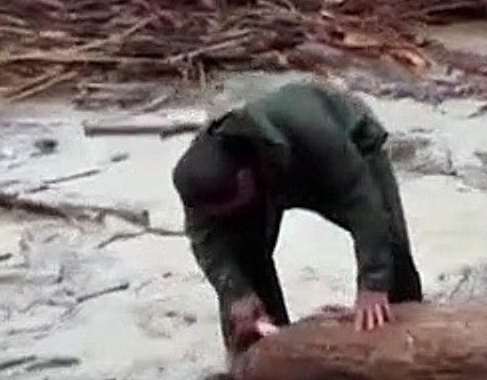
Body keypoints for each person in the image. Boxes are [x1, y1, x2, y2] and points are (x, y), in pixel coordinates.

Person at [172, 79, 423, 357]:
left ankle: (412, 343)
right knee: (242, 264)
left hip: (344, 147)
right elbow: (209, 245)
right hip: (265, 176)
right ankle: (259, 357)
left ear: (245, 176)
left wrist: (373, 284)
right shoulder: (199, 180)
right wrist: (237, 293)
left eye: (233, 203)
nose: (229, 214)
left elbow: (362, 202)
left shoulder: (312, 129)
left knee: (390, 249)